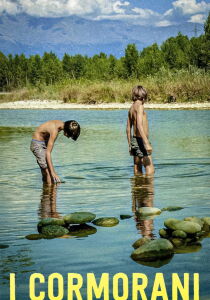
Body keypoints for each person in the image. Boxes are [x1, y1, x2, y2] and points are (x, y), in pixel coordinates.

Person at [30, 120, 80, 184]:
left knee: (45, 171)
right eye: (69, 135)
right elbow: (48, 153)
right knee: (47, 171)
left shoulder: (60, 124)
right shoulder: (54, 131)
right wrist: (53, 173)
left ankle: (47, 190)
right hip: (37, 144)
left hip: (43, 143)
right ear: (67, 130)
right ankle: (51, 192)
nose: (68, 137)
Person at [126, 85, 154, 176]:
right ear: (144, 97)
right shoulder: (140, 106)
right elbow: (139, 125)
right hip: (141, 140)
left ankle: (138, 187)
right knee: (149, 167)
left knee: (137, 166)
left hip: (134, 140)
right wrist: (146, 143)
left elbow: (127, 129)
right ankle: (148, 188)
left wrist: (130, 144)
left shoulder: (131, 108)